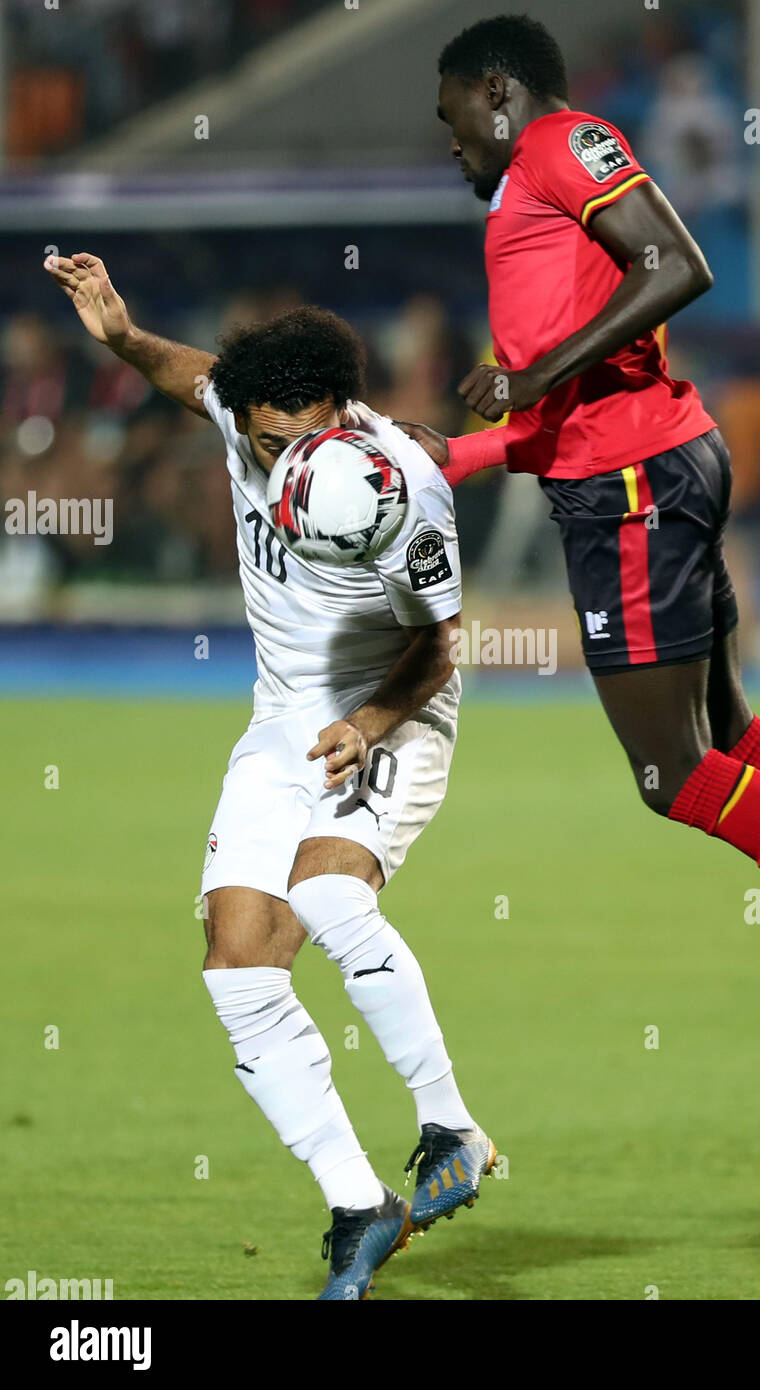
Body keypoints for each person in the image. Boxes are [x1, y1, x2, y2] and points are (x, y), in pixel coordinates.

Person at [397, 15, 760, 1085]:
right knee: (730, 732)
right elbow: (559, 405)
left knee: (668, 772)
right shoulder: (525, 207)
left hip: (632, 486)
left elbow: (679, 263)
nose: (450, 142)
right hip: (633, 468)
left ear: (495, 92)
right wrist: (466, 452)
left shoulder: (558, 144)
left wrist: (530, 379)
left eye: (450, 116)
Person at [44, 250, 495, 1301]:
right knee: (237, 963)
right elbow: (185, 371)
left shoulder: (406, 484)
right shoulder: (239, 409)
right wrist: (120, 337)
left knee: (330, 893)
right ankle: (357, 1202)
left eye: (312, 433)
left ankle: (451, 1128)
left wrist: (372, 722)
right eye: (269, 437)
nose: (290, 456)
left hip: (398, 707)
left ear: (344, 406)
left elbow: (440, 644)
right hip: (281, 719)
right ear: (243, 416)